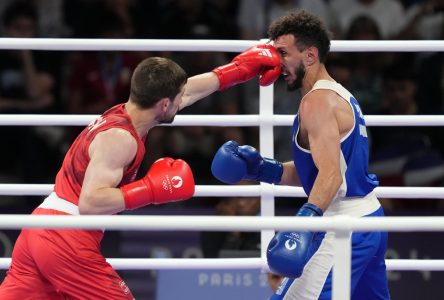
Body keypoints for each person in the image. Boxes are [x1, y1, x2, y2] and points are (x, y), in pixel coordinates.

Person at [0, 39, 282, 298]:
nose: (182, 102)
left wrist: (240, 69)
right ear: (163, 104)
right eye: (176, 100)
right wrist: (151, 189)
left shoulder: (129, 111)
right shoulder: (120, 139)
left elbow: (186, 92)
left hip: (42, 227)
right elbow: (91, 201)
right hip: (65, 235)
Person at [211, 10, 390, 300]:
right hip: (366, 217)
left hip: (341, 225)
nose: (275, 62)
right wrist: (263, 170)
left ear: (309, 56)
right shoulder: (335, 94)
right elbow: (320, 168)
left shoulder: (317, 103)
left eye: (282, 53)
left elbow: (332, 175)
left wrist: (304, 224)